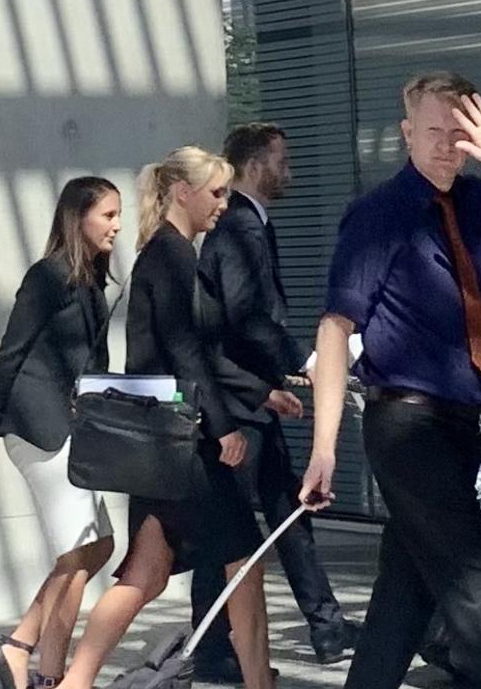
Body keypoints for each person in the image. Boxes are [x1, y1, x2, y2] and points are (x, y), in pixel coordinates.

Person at [298, 71, 481, 689]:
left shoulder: (476, 199)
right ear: (405, 134)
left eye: (459, 133)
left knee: (405, 592)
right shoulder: (377, 214)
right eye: (432, 131)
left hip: (458, 424)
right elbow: (336, 329)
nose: (446, 145)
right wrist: (323, 449)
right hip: (405, 425)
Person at [54, 147, 273, 689]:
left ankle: (74, 683)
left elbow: (195, 348)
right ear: (183, 192)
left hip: (162, 442)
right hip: (188, 440)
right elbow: (185, 349)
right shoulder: (173, 255)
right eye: (217, 192)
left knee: (145, 574)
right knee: (243, 564)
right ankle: (259, 683)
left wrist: (264, 393)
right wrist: (222, 428)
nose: (224, 204)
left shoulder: (163, 252)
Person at [192, 122, 358, 678]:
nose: (289, 171)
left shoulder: (249, 224)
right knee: (232, 528)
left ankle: (327, 627)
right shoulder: (240, 227)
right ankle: (213, 649)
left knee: (291, 512)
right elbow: (246, 318)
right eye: (282, 160)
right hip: (241, 407)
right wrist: (301, 363)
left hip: (256, 401)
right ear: (256, 163)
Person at [0, 177, 121, 689]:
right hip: (38, 428)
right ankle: (51, 672)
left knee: (98, 547)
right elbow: (10, 352)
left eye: (118, 215)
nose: (117, 226)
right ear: (78, 217)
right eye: (107, 215)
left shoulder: (93, 281)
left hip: (73, 429)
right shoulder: (48, 276)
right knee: (77, 552)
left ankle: (17, 647)